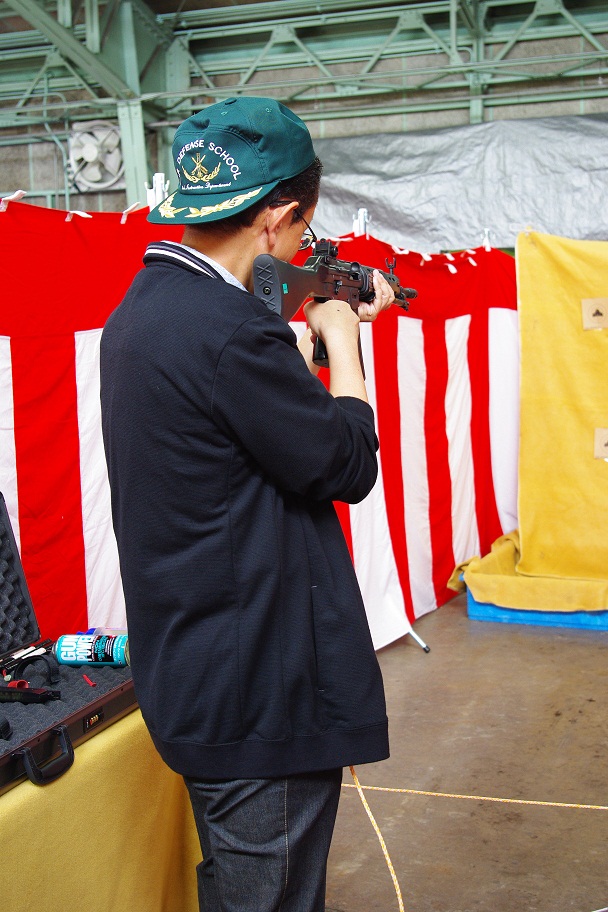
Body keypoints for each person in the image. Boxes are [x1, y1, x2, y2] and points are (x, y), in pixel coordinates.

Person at [100, 96, 394, 912]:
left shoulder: (145, 311)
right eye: (302, 230)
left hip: (200, 670)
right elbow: (344, 463)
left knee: (238, 890)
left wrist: (288, 344)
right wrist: (344, 342)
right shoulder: (229, 333)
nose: (301, 247)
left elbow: (234, 442)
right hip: (262, 690)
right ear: (278, 218)